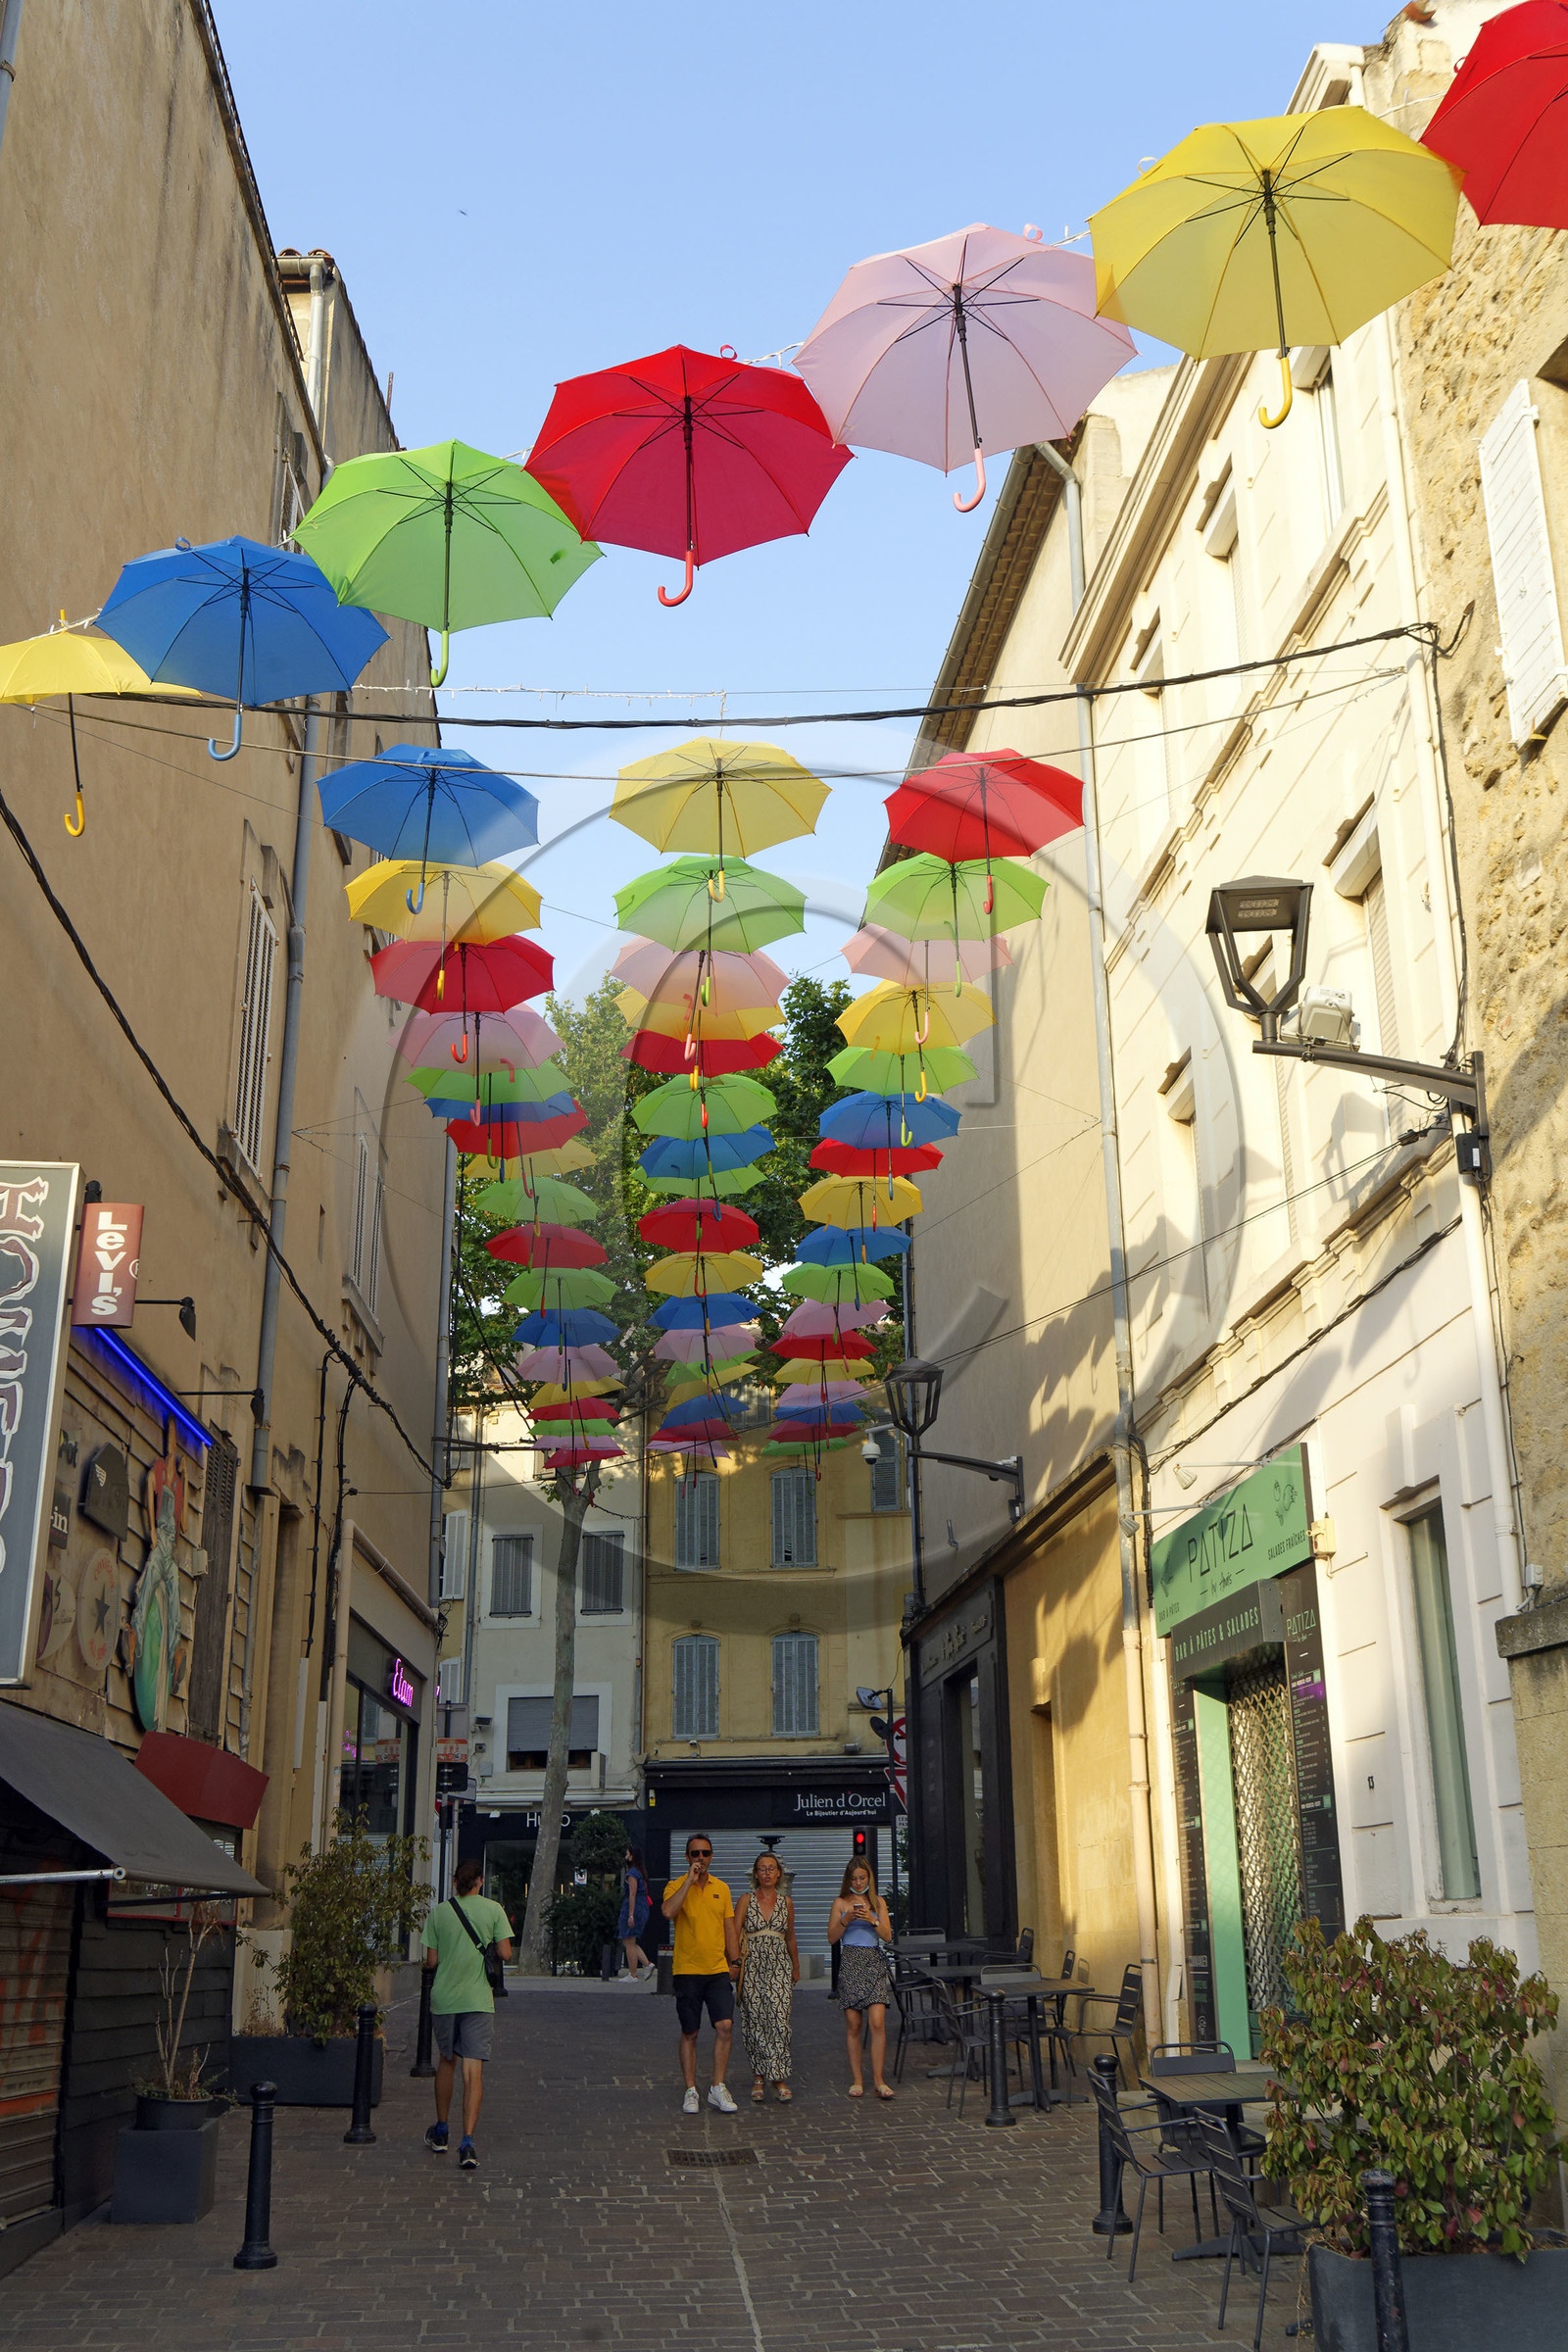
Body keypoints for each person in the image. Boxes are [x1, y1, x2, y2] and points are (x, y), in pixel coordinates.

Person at [421, 1857, 514, 2169]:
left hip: (445, 1999)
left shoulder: (439, 1913)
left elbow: (431, 1962)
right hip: (478, 2000)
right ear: (480, 1882)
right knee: (473, 2072)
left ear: (456, 1883)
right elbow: (505, 1953)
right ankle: (468, 2143)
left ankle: (442, 2131)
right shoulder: (493, 1910)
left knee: (446, 2063)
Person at [662, 1833, 739, 2114]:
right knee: (690, 2032)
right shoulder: (675, 1885)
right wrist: (689, 1882)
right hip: (687, 1970)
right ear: (687, 1858)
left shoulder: (722, 1888)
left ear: (711, 1856)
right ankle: (691, 2090)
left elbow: (729, 1927)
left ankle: (717, 2087)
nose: (701, 1859)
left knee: (725, 2026)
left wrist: (736, 1961)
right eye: (695, 1854)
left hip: (717, 1969)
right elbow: (668, 1912)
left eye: (705, 1853)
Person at [827, 1857, 896, 2100]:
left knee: (877, 2022)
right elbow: (831, 1938)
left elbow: (887, 1936)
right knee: (854, 2024)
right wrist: (846, 1919)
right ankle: (857, 2079)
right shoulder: (840, 1903)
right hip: (851, 1962)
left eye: (862, 1878)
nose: (858, 1883)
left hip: (873, 1962)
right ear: (848, 1880)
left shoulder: (878, 1902)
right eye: (854, 1879)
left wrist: (871, 1919)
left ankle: (879, 2080)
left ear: (869, 1878)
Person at [737, 1850, 800, 2102]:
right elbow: (733, 1932)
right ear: (755, 1874)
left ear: (779, 1874)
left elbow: (791, 1936)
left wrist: (795, 1966)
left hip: (779, 1967)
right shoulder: (745, 1900)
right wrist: (733, 1963)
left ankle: (779, 2075)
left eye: (771, 1868)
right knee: (754, 2021)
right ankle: (759, 2076)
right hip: (752, 1966)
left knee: (780, 2019)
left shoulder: (786, 1903)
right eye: (762, 1869)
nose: (767, 1873)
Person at [617, 1844, 655, 1981]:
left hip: (633, 1908)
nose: (625, 1857)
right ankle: (647, 1964)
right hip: (641, 1907)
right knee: (630, 1941)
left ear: (632, 1856)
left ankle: (633, 1974)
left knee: (629, 1941)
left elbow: (632, 1894)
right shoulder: (639, 1872)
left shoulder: (632, 1873)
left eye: (627, 1854)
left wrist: (631, 1915)